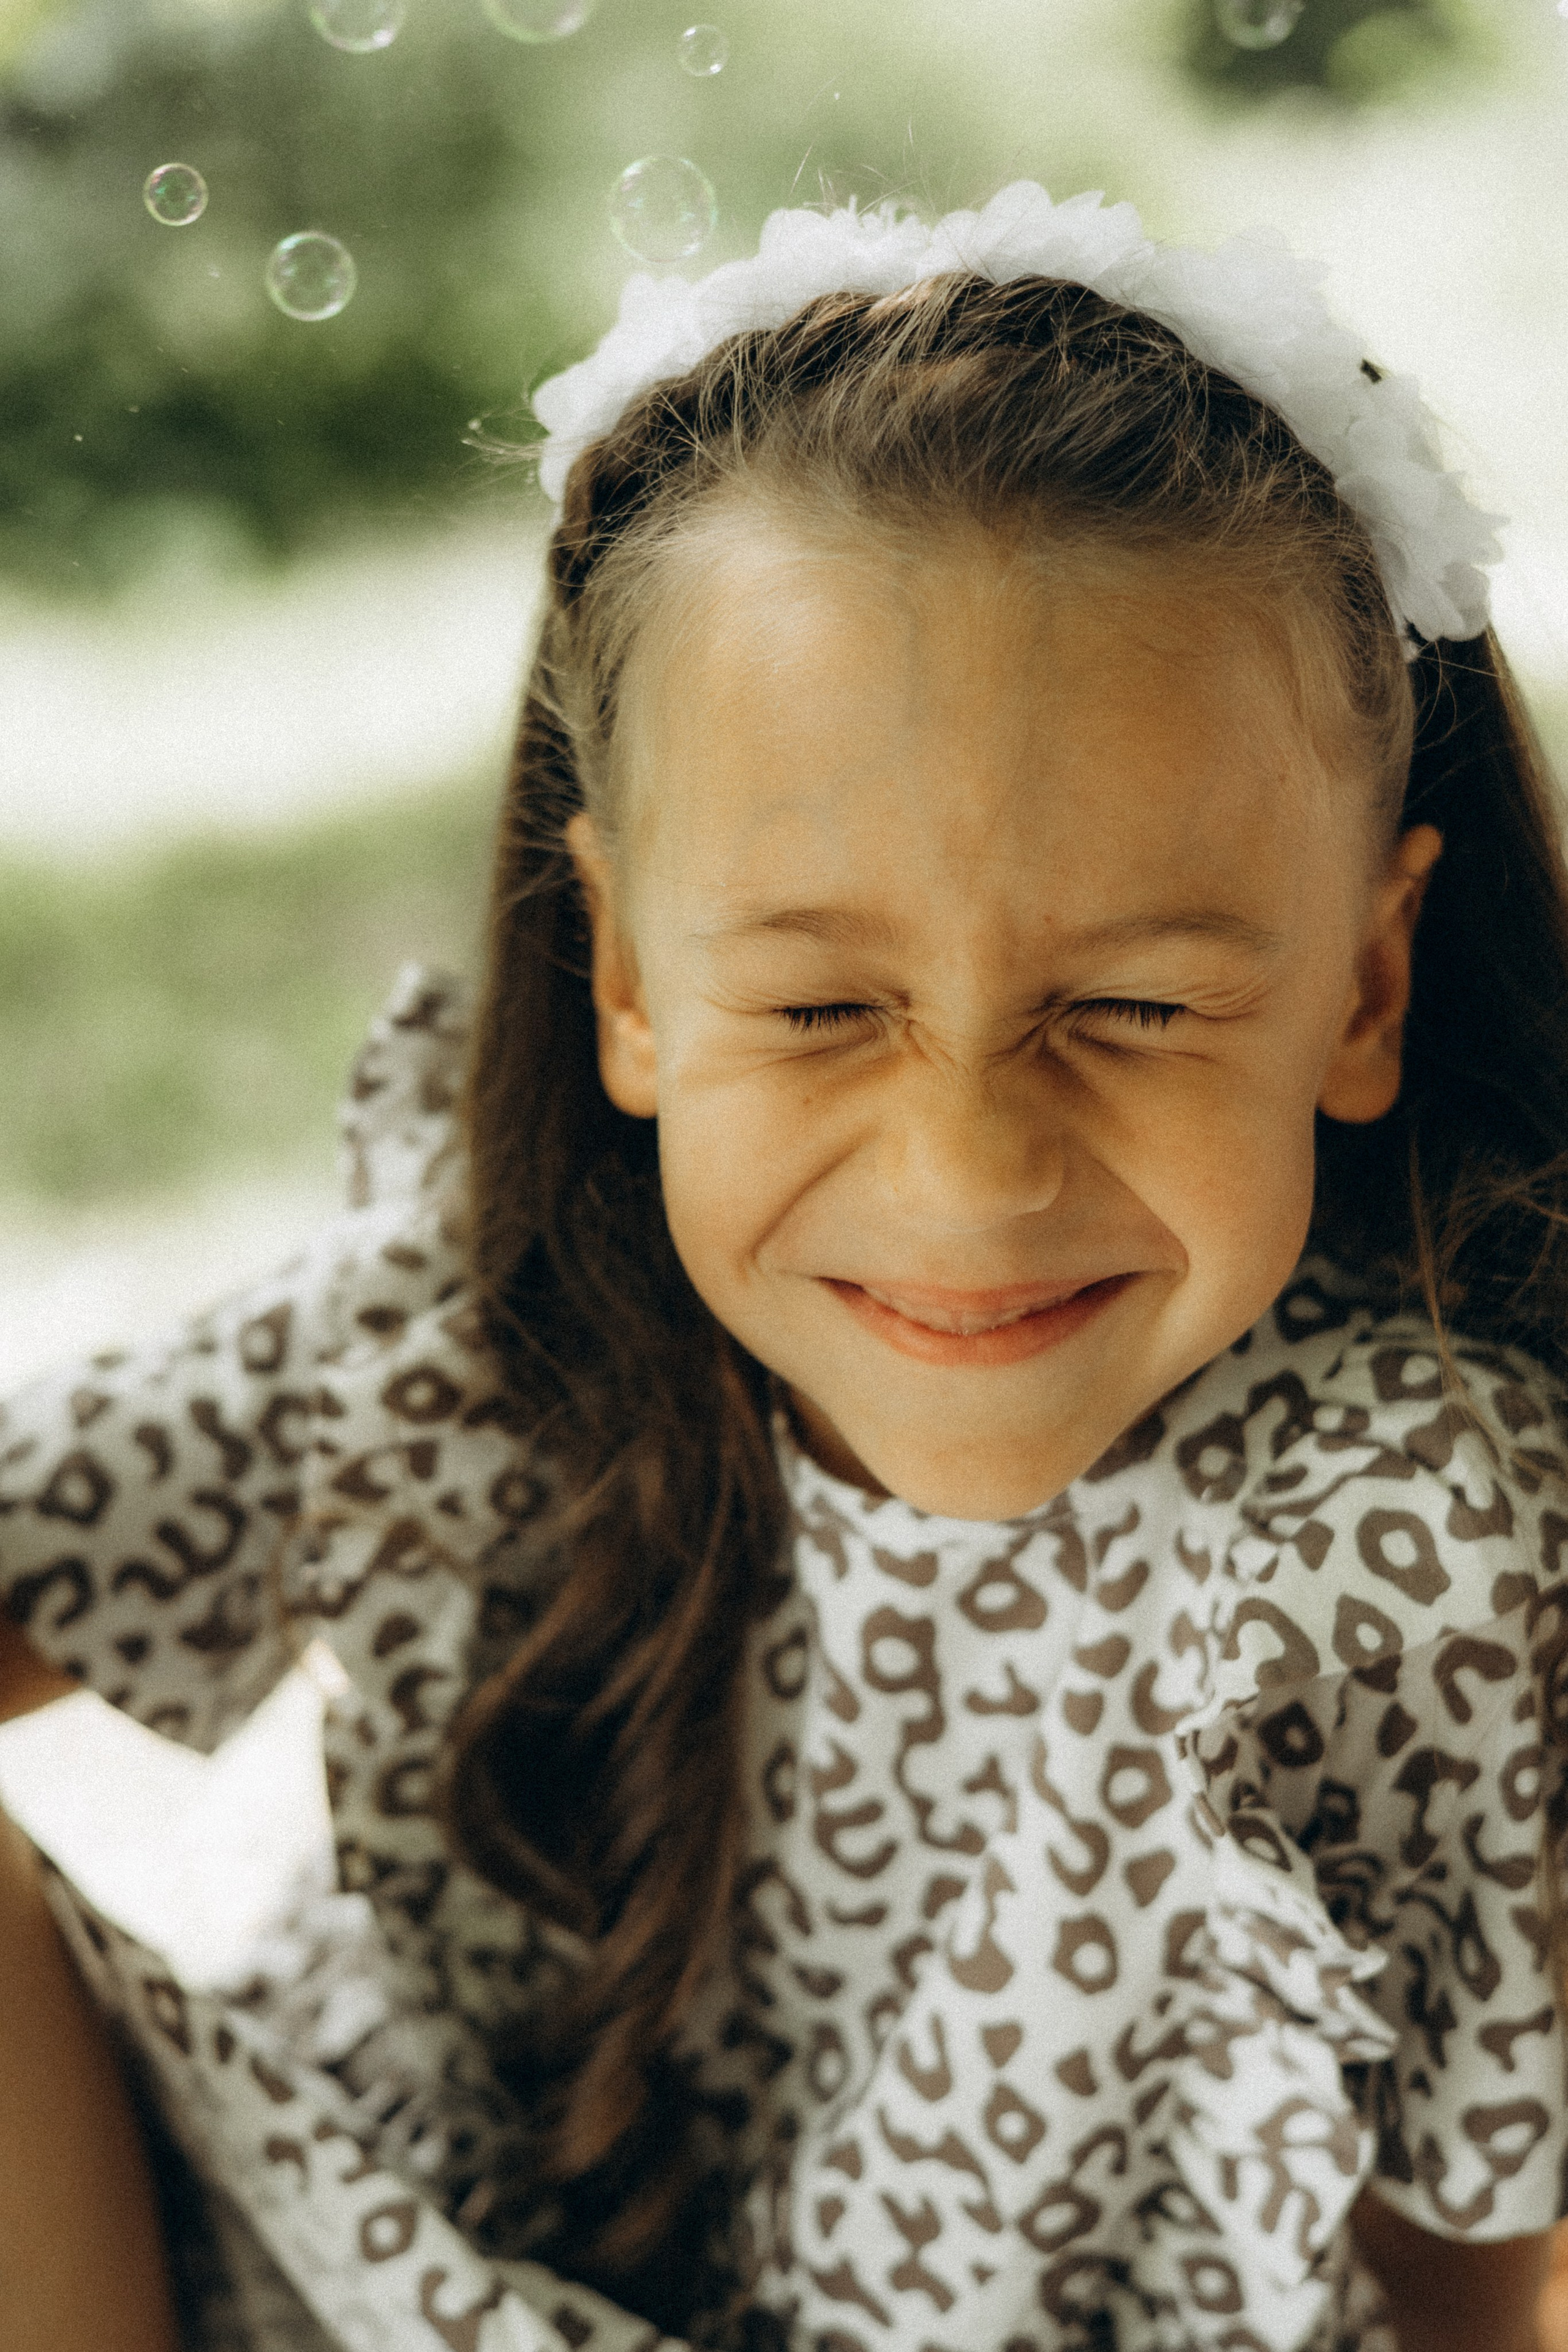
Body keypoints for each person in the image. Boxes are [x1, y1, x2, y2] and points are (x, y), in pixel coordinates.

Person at [1, 183, 1567, 2352]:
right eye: (823, 1009)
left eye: (1130, 1009)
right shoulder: (473, 1330)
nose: (969, 1168)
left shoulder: (1411, 1552)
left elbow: (1487, 2278)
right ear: (628, 981)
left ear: (1366, 985)